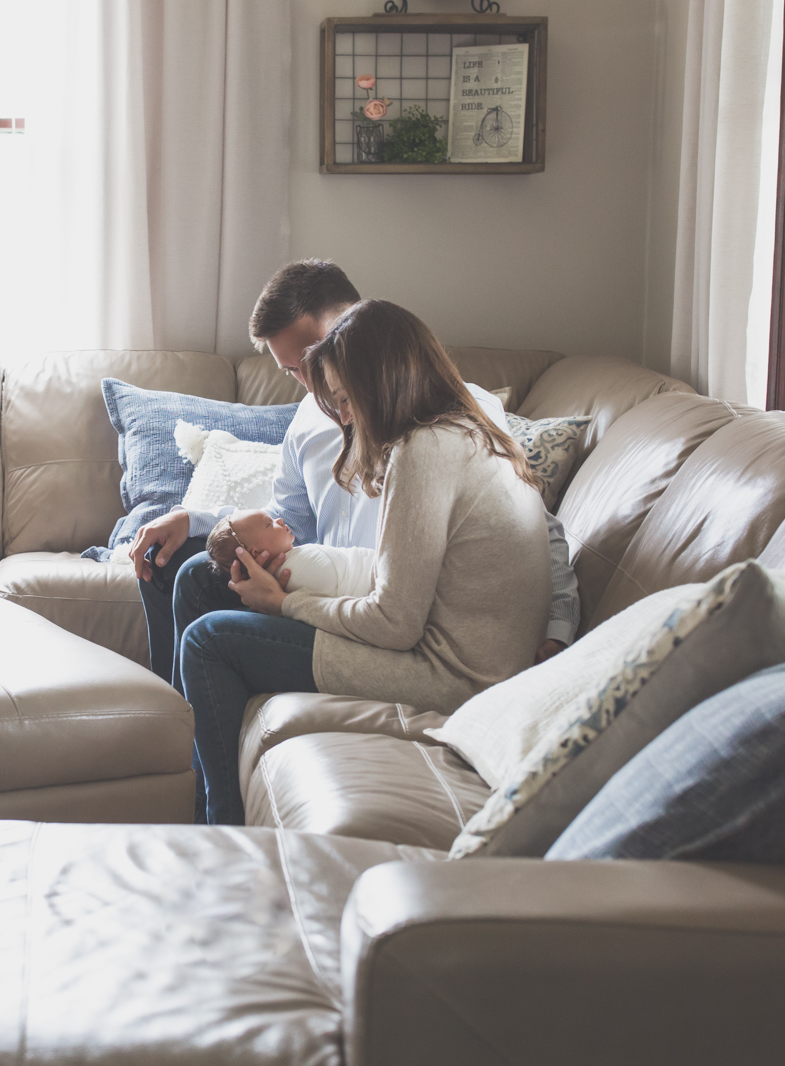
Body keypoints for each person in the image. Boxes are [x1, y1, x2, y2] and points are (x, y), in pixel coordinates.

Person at [178, 300, 553, 824]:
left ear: (385, 382)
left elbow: (394, 623)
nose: (346, 416)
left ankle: (220, 826)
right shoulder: (463, 431)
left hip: (450, 676)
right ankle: (190, 780)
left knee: (208, 641)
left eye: (347, 399)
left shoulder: (425, 450)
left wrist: (285, 604)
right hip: (453, 651)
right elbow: (398, 579)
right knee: (200, 578)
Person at [131, 260, 578, 692]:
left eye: (312, 357)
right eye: (291, 370)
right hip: (327, 590)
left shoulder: (447, 419)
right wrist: (196, 519)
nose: (311, 382)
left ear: (355, 327)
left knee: (211, 633)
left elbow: (536, 524)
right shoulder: (308, 420)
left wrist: (558, 626)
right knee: (185, 569)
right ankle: (183, 735)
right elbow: (288, 518)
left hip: (390, 610)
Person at [205, 509, 374, 599]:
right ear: (256, 552)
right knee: (195, 569)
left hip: (378, 573)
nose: (279, 519)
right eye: (269, 524)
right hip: (366, 588)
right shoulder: (297, 571)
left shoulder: (296, 561)